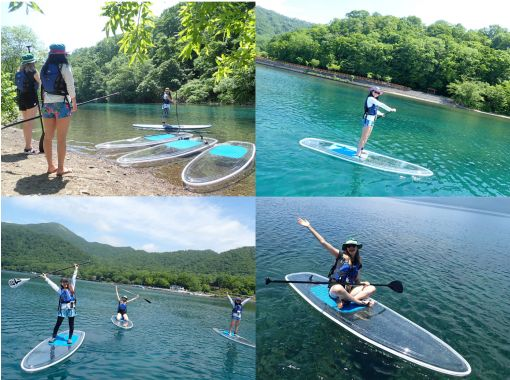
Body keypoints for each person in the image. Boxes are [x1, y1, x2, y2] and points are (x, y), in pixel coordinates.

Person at [297, 217, 376, 309]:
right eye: (348, 246)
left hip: (349, 291)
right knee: (339, 288)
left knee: (372, 288)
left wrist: (363, 283)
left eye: (353, 245)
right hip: (335, 290)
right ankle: (358, 302)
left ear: (357, 247)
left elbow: (356, 281)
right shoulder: (340, 256)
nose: (351, 247)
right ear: (346, 248)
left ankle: (346, 300)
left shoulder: (358, 262)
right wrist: (309, 226)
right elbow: (323, 242)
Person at [40, 44, 77, 176]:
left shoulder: (44, 68)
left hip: (47, 105)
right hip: (62, 104)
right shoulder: (64, 67)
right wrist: (74, 101)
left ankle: (50, 166)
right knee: (61, 139)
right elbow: (70, 85)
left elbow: (43, 87)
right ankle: (60, 168)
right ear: (63, 54)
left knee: (48, 137)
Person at [41, 264, 79, 344]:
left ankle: (69, 338)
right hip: (63, 310)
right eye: (62, 282)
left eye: (65, 282)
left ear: (67, 282)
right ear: (61, 283)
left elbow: (73, 278)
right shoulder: (59, 290)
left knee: (71, 325)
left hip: (71, 309)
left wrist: (76, 269)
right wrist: (46, 278)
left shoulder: (72, 287)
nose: (63, 283)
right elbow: (52, 285)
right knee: (58, 324)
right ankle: (54, 337)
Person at [357, 86, 396, 158]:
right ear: (372, 91)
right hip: (367, 120)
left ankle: (362, 150)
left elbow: (374, 110)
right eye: (375, 92)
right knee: (363, 137)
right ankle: (358, 153)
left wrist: (381, 114)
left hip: (372, 120)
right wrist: (390, 109)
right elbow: (381, 104)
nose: (376, 93)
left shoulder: (374, 100)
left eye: (378, 93)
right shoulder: (370, 98)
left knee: (367, 137)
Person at [14, 53, 41, 154]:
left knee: (26, 123)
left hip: (21, 97)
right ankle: (28, 148)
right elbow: (40, 82)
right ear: (32, 62)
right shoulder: (34, 71)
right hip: (31, 98)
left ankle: (27, 146)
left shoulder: (19, 71)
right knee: (29, 123)